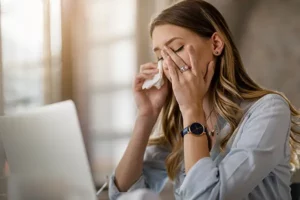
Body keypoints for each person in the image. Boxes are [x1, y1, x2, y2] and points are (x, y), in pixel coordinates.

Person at [109, 0, 300, 199]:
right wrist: (146, 115)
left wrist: (192, 110)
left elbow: (208, 196)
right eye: (160, 57)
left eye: (175, 48)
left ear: (216, 44)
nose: (168, 64)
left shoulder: (269, 110)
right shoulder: (178, 124)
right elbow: (124, 194)